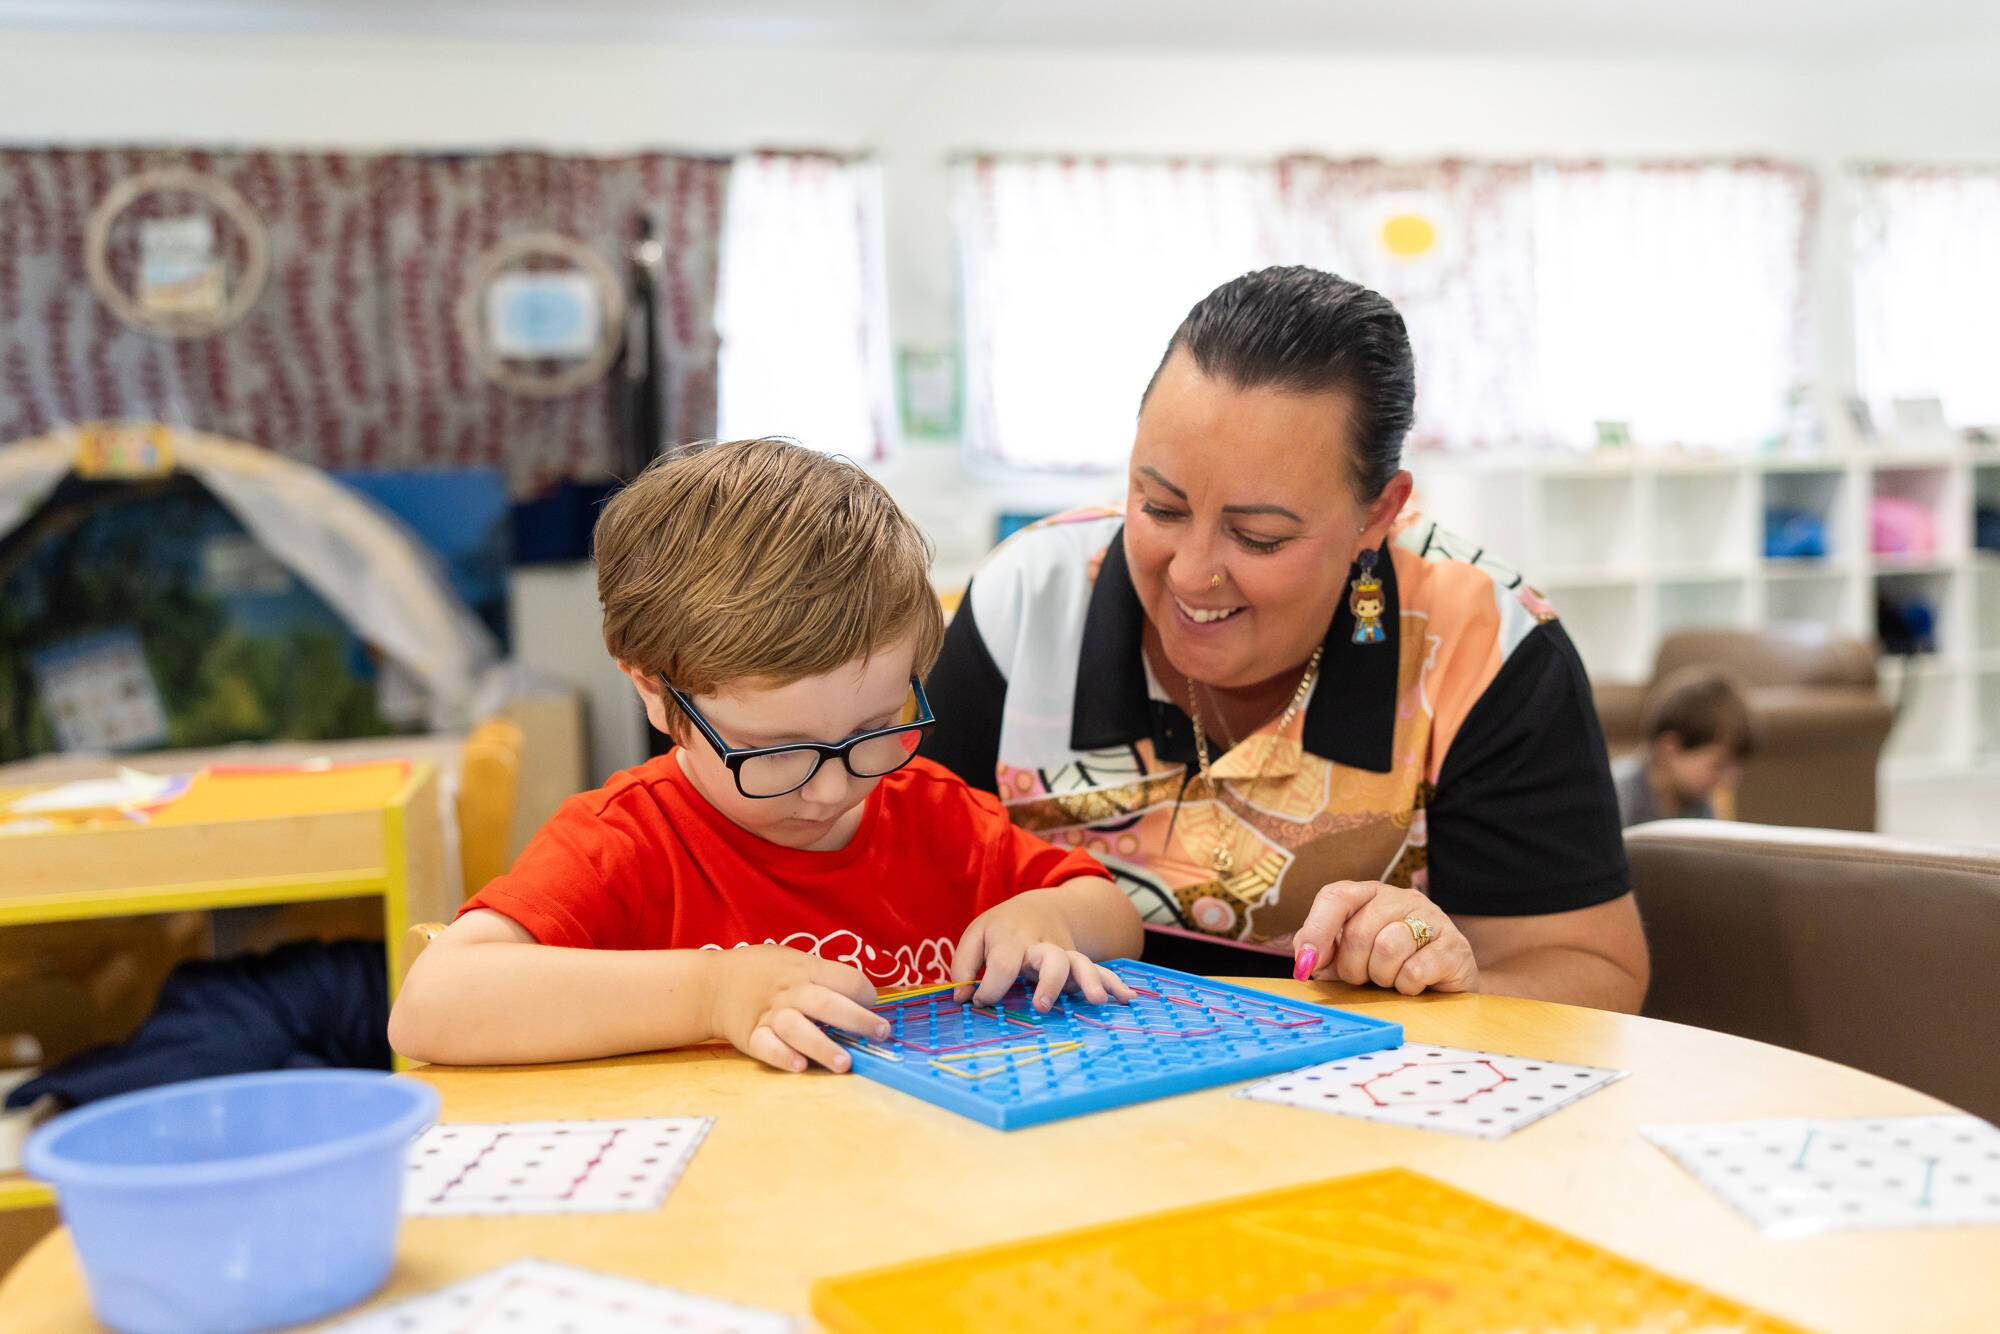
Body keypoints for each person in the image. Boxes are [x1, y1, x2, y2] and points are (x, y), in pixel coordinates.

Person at [922, 266, 1649, 1012]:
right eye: (1159, 506)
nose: (1193, 573)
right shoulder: (1031, 598)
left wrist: (1457, 978)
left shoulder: (1485, 644)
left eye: (1258, 536)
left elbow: (1593, 980)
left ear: (1379, 514)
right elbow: (873, 855)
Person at [389, 439, 1141, 1071]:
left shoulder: (933, 815)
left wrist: (1048, 920)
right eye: (773, 752)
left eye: (874, 729)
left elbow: (1114, 915)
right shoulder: (626, 843)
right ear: (654, 693)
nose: (833, 788)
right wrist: (715, 992)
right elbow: (430, 1006)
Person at [1612, 667, 1753, 828]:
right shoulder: (1618, 796)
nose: (1728, 782)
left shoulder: (1700, 803)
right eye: (1718, 765)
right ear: (1669, 749)